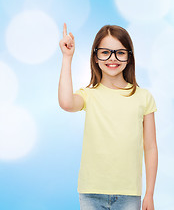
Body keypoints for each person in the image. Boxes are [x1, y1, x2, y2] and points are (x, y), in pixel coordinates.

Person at [58, 23, 158, 210]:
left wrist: (149, 194)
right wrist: (67, 58)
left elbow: (151, 147)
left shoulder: (143, 97)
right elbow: (66, 103)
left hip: (129, 194)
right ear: (95, 57)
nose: (113, 58)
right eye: (105, 52)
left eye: (120, 52)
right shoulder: (89, 95)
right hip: (91, 192)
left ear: (129, 57)